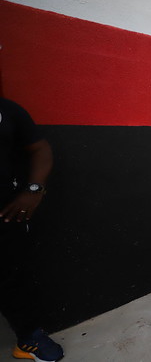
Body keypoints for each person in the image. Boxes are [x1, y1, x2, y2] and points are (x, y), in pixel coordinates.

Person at [0, 98, 64, 362]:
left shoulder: (7, 110)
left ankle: (28, 338)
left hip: (4, 214)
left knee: (11, 276)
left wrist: (34, 190)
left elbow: (40, 148)